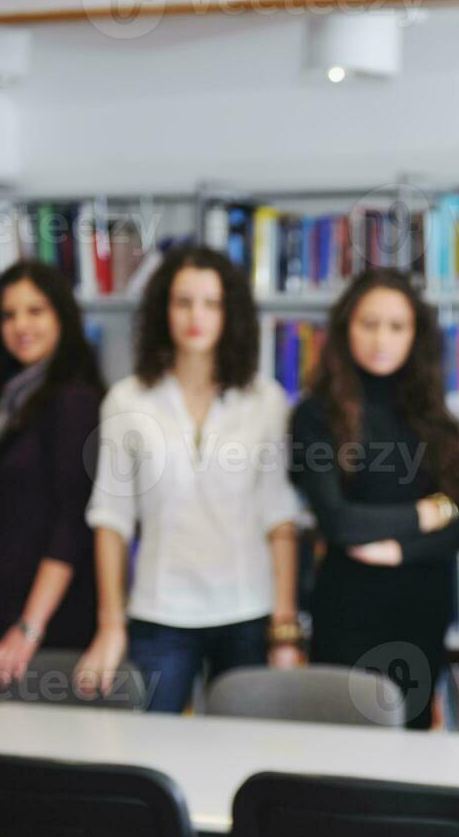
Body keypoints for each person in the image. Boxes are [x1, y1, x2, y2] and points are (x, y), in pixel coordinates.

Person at [76, 245, 303, 711]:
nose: (195, 316)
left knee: (245, 755)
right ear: (163, 311)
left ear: (231, 313)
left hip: (246, 608)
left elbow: (279, 518)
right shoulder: (127, 400)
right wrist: (110, 624)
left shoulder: (265, 400)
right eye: (182, 302)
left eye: (211, 303)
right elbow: (111, 520)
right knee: (152, 748)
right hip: (160, 611)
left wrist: (284, 629)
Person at [288, 268, 459, 730]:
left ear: (416, 336)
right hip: (349, 611)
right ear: (345, 329)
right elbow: (339, 523)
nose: (381, 339)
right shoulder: (316, 415)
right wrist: (427, 511)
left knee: (408, 751)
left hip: (422, 611)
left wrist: (397, 549)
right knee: (342, 747)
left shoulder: (431, 415)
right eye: (368, 323)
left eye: (397, 327)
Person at [0, 260, 104, 686]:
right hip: (1, 601)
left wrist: (29, 627)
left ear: (62, 315)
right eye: (8, 315)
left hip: (49, 616)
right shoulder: (8, 397)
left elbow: (72, 522)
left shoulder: (74, 400)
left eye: (36, 311)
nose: (20, 325)